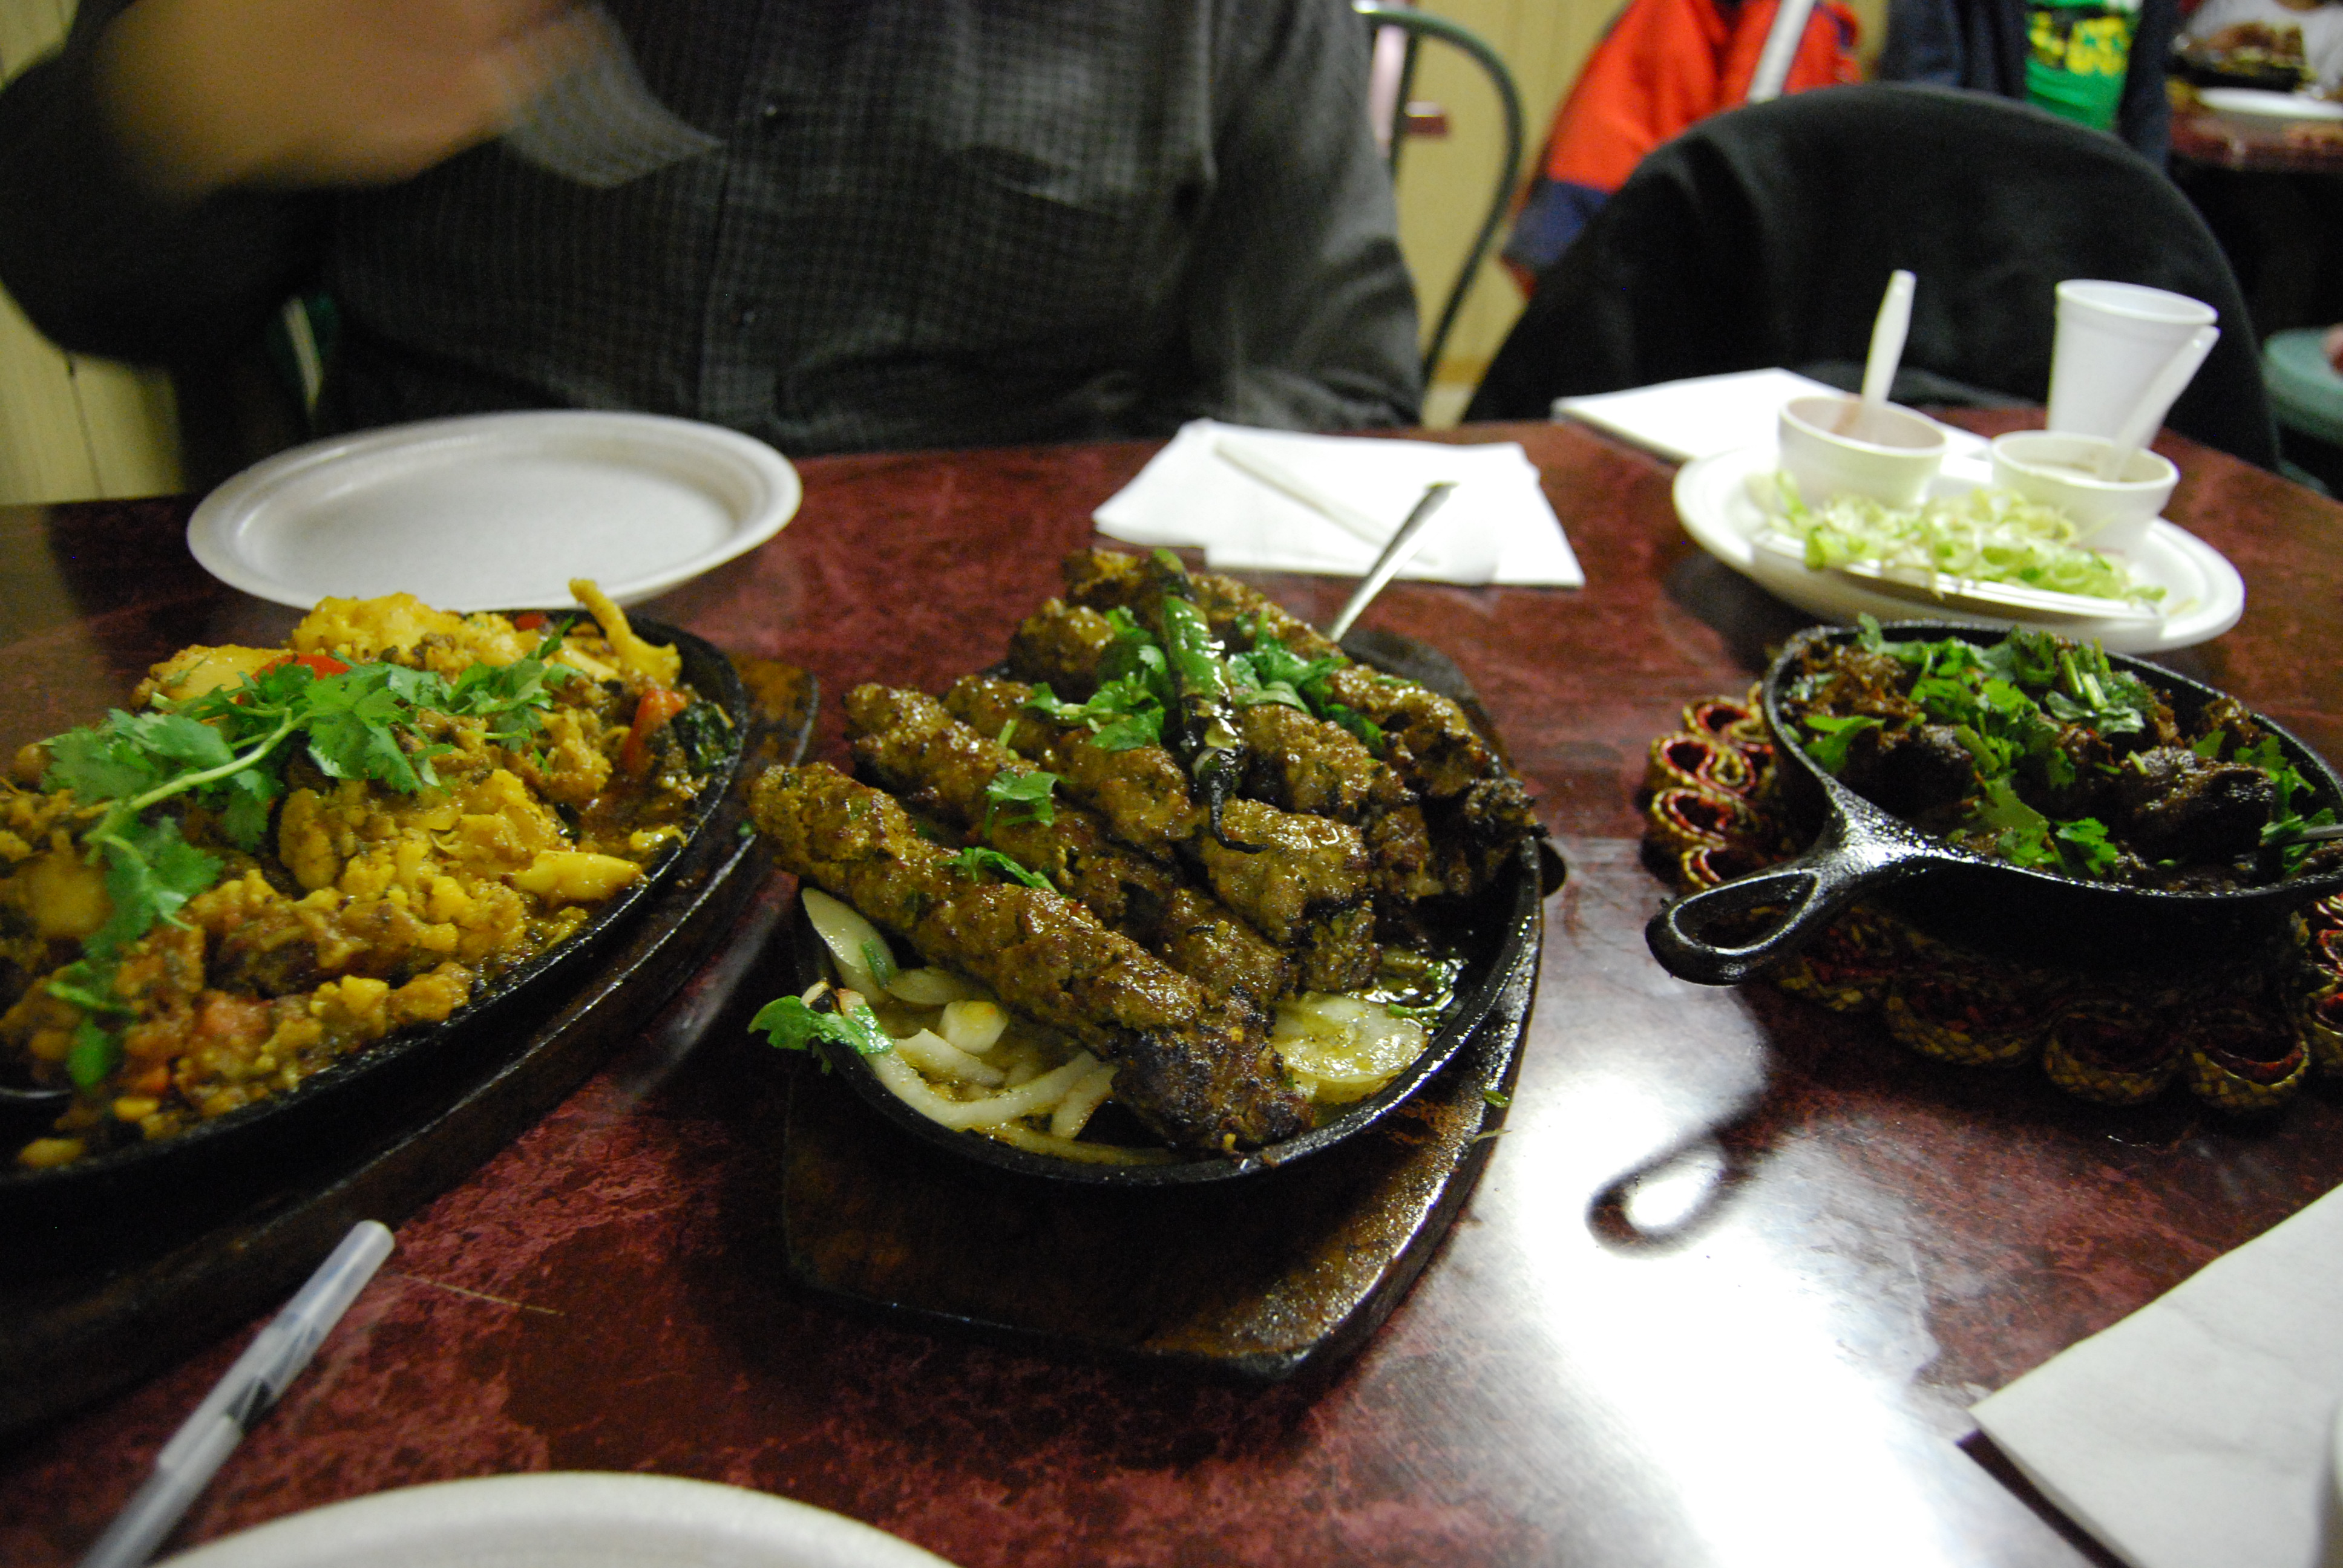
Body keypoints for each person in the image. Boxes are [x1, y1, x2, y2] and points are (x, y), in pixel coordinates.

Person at [0, 0, 1422, 458]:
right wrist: (190, 93)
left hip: (996, 708)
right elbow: (85, 283)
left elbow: (1330, 390)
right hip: (426, 651)